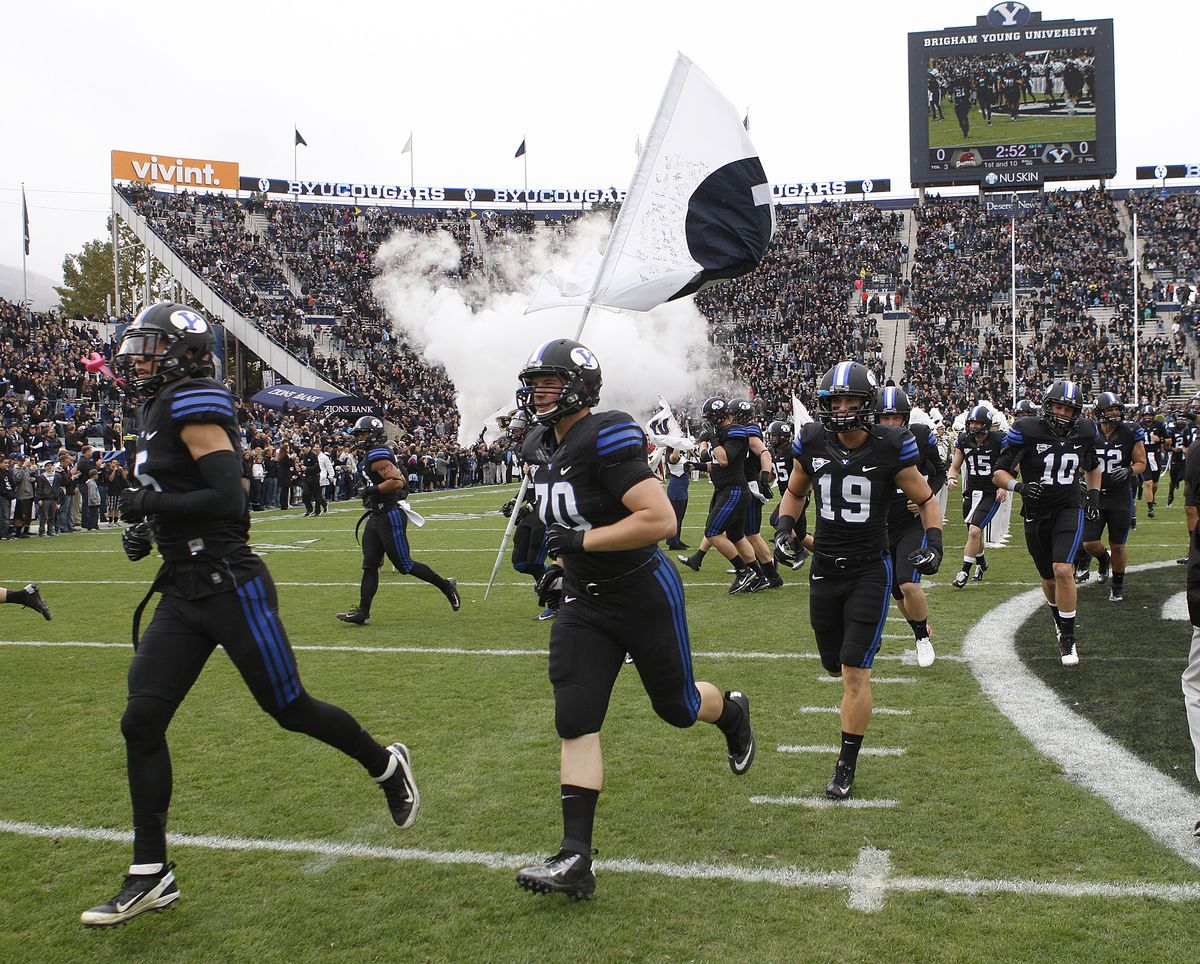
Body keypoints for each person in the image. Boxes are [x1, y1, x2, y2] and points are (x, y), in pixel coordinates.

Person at [82, 303, 419, 929]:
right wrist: (148, 525)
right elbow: (177, 501)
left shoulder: (195, 401)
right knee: (142, 719)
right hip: (184, 590)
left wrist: (149, 502)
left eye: (149, 347)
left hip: (230, 582)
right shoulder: (155, 409)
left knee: (290, 709)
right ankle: (151, 871)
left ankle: (384, 763)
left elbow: (229, 499)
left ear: (183, 353)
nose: (136, 358)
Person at [511, 338, 754, 900]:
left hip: (642, 590)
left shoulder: (608, 433)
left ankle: (732, 713)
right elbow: (564, 516)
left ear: (580, 389)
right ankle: (576, 857)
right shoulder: (535, 444)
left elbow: (660, 519)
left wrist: (582, 541)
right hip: (583, 600)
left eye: (550, 383)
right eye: (536, 382)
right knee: (575, 717)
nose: (538, 393)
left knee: (678, 709)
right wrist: (559, 557)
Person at [775, 361, 942, 801]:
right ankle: (857, 652)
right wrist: (783, 528)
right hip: (825, 567)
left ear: (868, 405)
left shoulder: (891, 446)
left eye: (852, 401)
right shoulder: (812, 440)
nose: (843, 409)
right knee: (832, 664)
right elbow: (795, 491)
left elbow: (925, 497)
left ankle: (845, 764)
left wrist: (935, 542)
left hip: (870, 567)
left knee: (854, 671)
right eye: (835, 401)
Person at [993, 380, 1101, 667]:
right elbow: (999, 472)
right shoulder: (1027, 430)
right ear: (1048, 405)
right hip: (1036, 510)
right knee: (1048, 578)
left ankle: (1068, 637)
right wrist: (1020, 488)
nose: (1063, 413)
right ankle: (1058, 618)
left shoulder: (1086, 431)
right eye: (1059, 406)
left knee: (1063, 568)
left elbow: (1092, 466)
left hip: (1069, 507)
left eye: (1069, 409)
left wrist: (1093, 496)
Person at [335, 416, 460, 624]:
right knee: (369, 565)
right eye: (358, 434)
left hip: (389, 515)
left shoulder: (378, 455)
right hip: (376, 515)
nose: (359, 437)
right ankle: (362, 612)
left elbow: (397, 482)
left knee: (405, 565)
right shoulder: (372, 453)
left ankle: (446, 585)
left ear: (373, 434)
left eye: (363, 433)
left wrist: (371, 489)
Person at [876, 387, 945, 668]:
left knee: (908, 582)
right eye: (885, 418)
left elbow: (939, 470)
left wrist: (925, 494)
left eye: (896, 418)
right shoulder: (865, 440)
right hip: (878, 526)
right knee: (894, 592)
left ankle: (921, 638)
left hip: (909, 523)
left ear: (905, 418)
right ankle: (919, 629)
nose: (891, 424)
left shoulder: (918, 437)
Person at [1075, 392, 1146, 601]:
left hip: (1119, 495)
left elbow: (1141, 462)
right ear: (1099, 412)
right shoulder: (1089, 433)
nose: (1115, 413)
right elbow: (1078, 460)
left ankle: (1117, 584)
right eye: (1110, 410)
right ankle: (1103, 560)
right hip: (1094, 494)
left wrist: (1129, 470)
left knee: (1118, 544)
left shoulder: (1130, 432)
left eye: (1117, 409)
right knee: (1089, 543)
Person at [947, 405, 1006, 588]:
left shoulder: (999, 440)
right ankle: (981, 564)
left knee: (974, 531)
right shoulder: (964, 440)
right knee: (975, 534)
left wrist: (1004, 485)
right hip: (971, 492)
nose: (973, 427)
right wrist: (950, 477)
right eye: (971, 423)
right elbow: (955, 465)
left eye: (977, 424)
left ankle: (964, 571)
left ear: (986, 425)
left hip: (991, 493)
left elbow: (1012, 463)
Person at [663, 445, 690, 552]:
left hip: (682, 489)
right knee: (676, 517)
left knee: (680, 517)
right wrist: (677, 444)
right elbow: (674, 457)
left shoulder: (679, 455)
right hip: (676, 490)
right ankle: (673, 542)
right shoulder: (671, 456)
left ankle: (676, 539)